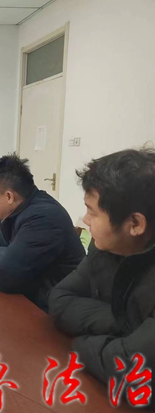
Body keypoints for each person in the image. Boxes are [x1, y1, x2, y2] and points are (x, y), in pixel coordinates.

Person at [49, 148, 155, 390]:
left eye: (92, 212)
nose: (85, 220)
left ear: (135, 224)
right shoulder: (104, 248)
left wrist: (81, 343)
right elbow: (60, 300)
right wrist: (128, 325)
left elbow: (128, 370)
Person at [0, 154, 85, 311]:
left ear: (9, 196)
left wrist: (8, 259)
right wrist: (8, 255)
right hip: (30, 299)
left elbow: (5, 277)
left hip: (52, 309)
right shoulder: (13, 212)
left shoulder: (44, 217)